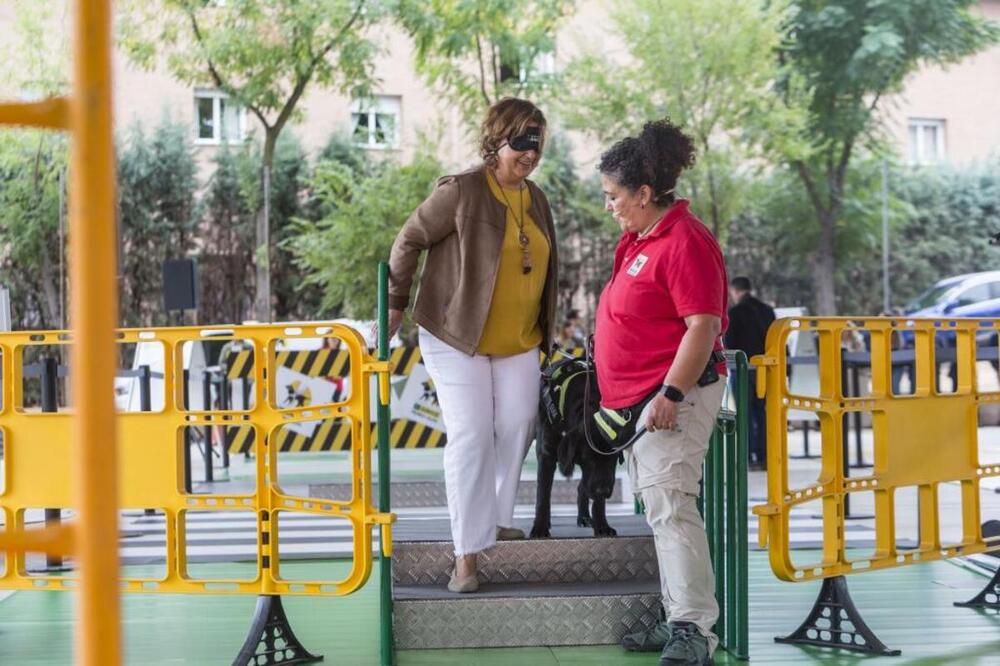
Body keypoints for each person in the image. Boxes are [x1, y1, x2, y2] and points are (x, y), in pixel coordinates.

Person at [385, 97, 558, 594]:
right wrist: (396, 301)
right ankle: (466, 554)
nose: (530, 152)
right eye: (522, 140)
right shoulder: (460, 191)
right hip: (457, 335)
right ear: (497, 139)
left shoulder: (538, 198)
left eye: (537, 141)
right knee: (473, 435)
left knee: (519, 422)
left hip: (518, 339)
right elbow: (409, 238)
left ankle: (495, 518)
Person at [594, 119, 727, 666]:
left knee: (673, 510)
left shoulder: (685, 242)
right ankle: (679, 616)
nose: (610, 206)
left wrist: (671, 392)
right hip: (641, 406)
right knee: (661, 511)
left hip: (673, 400)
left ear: (644, 194)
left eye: (614, 196)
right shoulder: (643, 239)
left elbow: (703, 325)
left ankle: (694, 630)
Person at [724, 276, 775, 471]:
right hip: (766, 369)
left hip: (743, 370)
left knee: (744, 414)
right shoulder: (767, 311)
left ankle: (749, 456)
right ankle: (765, 455)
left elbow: (730, 343)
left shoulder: (735, 313)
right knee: (763, 413)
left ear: (735, 291)